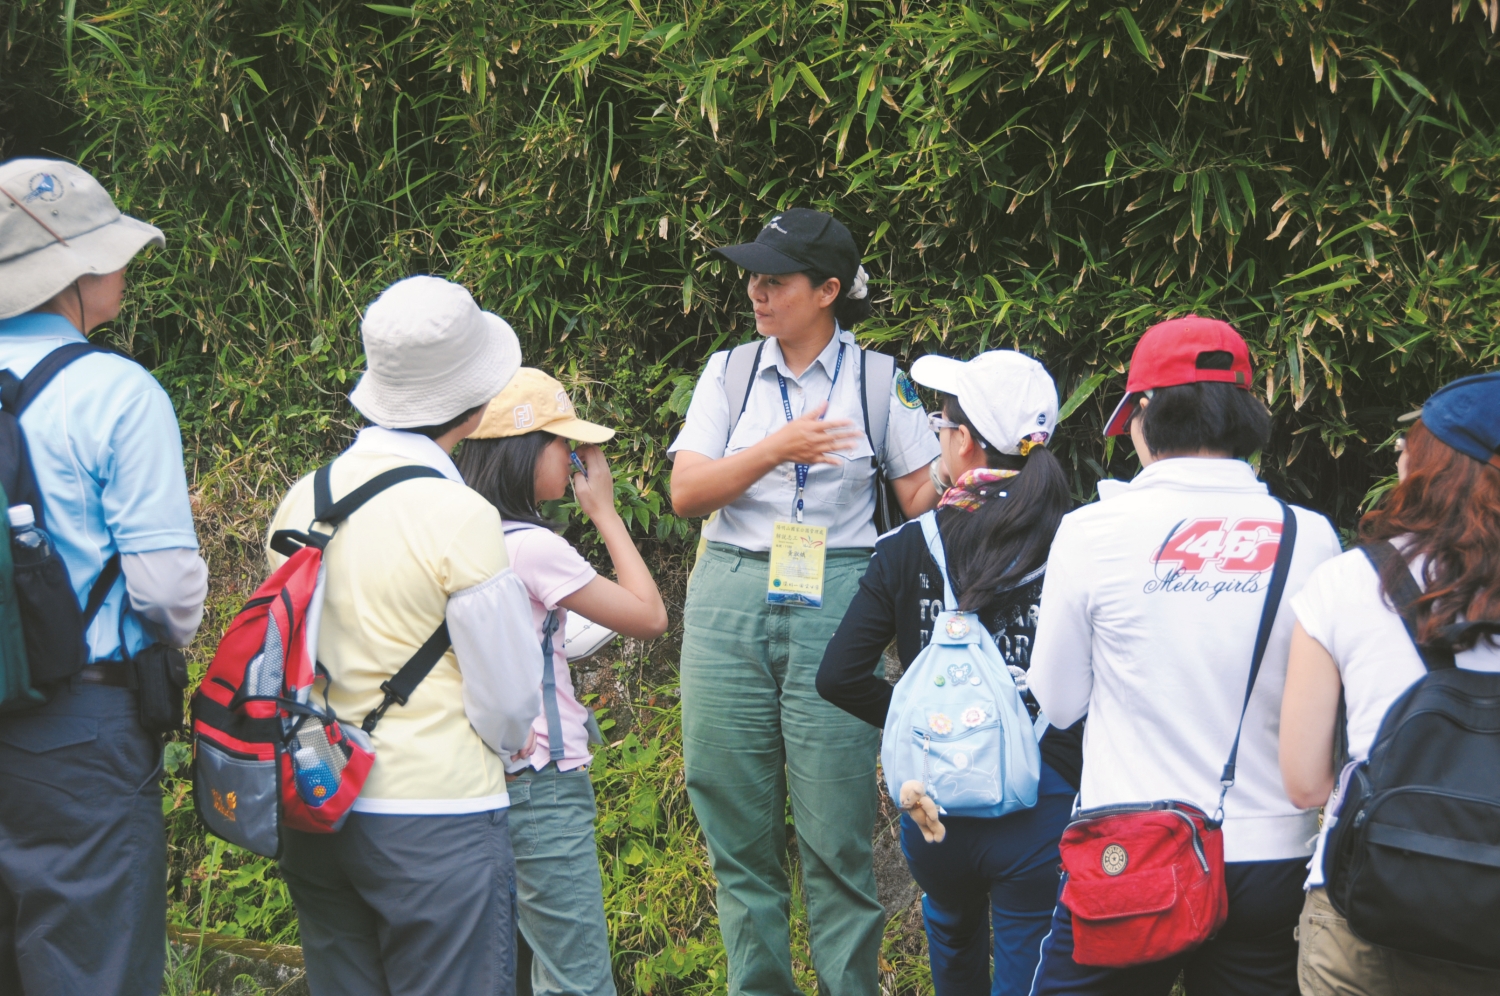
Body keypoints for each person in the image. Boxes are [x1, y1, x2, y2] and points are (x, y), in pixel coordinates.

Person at [1026, 315, 1344, 995]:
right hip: (1271, 857)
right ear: (1244, 416)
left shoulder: (1093, 532)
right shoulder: (1310, 537)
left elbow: (1057, 701)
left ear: (1142, 414)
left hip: (1129, 856)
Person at [668, 208, 941, 995]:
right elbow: (687, 491)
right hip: (727, 592)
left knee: (836, 829)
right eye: (751, 275)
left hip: (842, 594)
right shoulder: (729, 372)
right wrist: (775, 451)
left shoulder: (879, 379)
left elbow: (919, 494)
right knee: (733, 818)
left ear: (827, 290)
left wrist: (972, 478)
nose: (756, 290)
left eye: (775, 279)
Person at [266, 275, 539, 996]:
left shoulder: (305, 498)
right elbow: (511, 702)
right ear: (475, 404)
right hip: (435, 818)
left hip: (317, 805)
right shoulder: (460, 515)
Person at [0, 158, 208, 995]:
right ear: (79, 274)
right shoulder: (118, 393)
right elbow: (164, 591)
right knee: (94, 965)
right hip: (78, 722)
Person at [818, 350, 1084, 996]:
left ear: (963, 442)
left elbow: (839, 676)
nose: (938, 432)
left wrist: (925, 726)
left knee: (953, 935)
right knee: (1028, 957)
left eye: (940, 422)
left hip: (933, 808)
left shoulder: (909, 547)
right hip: (1040, 805)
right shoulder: (1079, 543)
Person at [1280, 371, 1500, 996]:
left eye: (1410, 443)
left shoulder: (1348, 582)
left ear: (1433, 464)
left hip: (1366, 909)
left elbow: (1303, 782)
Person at [455, 367, 668, 996]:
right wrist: (603, 512)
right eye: (565, 444)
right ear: (524, 451)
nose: (578, 458)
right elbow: (649, 615)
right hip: (542, 784)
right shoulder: (533, 548)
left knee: (504, 971)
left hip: (473, 781)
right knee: (576, 979)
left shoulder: (458, 535)